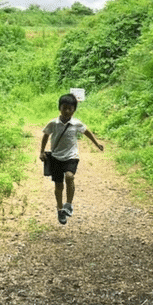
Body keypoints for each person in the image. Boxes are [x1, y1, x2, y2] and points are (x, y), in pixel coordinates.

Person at [39, 93, 104, 224]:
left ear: (74, 109)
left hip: (71, 156)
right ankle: (59, 209)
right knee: (58, 186)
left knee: (69, 176)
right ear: (60, 108)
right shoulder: (53, 123)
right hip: (56, 157)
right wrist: (41, 152)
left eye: (70, 108)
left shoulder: (76, 123)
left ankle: (68, 204)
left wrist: (97, 143)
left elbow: (87, 132)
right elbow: (45, 135)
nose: (67, 111)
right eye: (64, 108)